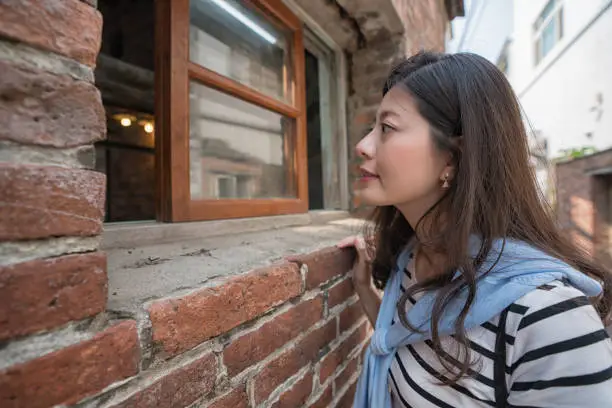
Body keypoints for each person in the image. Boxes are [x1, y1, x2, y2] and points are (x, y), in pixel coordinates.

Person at [338, 51, 612, 408]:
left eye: (387, 128)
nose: (363, 145)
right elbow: (403, 342)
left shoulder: (546, 316)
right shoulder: (412, 255)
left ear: (453, 157)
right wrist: (363, 287)